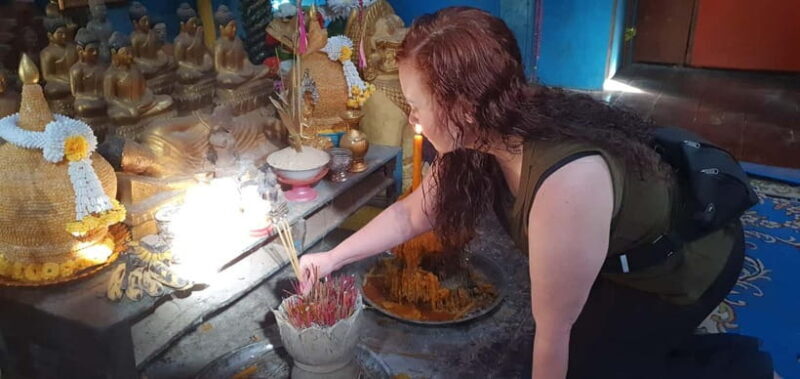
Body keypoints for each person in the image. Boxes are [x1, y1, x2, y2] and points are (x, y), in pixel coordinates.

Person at [298, 7, 772, 379]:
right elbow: (411, 215)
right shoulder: (485, 130)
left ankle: (739, 365)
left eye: (417, 106)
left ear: (462, 108)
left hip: (687, 264)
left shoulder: (566, 185)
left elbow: (553, 331)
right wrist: (332, 258)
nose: (412, 121)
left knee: (586, 368)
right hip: (614, 255)